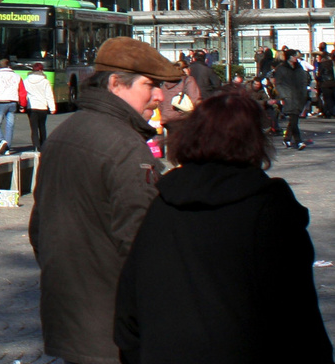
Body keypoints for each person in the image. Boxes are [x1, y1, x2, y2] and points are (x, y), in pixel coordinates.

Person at [114, 87, 333, 363]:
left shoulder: (164, 205)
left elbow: (128, 307)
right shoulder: (268, 209)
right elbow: (295, 311)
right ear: (254, 141)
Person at [29, 36, 183, 364]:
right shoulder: (125, 147)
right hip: (113, 326)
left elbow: (39, 230)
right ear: (115, 84)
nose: (158, 96)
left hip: (73, 316)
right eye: (149, 85)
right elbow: (142, 245)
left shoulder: (64, 133)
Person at [272, 49, 311, 150]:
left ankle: (287, 139)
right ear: (289, 57)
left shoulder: (299, 68)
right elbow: (278, 84)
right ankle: (299, 141)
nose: (296, 58)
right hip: (288, 96)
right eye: (294, 56)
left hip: (299, 96)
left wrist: (304, 93)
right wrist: (284, 95)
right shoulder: (281, 69)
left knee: (294, 119)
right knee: (294, 118)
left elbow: (303, 81)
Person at [0, 58, 22, 155]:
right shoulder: (17, 76)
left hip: (1, 102)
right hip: (13, 102)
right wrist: (22, 105)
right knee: (10, 125)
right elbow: (22, 91)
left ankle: (2, 141)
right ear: (9, 65)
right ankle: (7, 148)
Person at [21, 61, 57, 151]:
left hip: (31, 107)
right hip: (42, 107)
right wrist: (52, 108)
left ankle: (36, 146)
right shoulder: (45, 82)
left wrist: (22, 106)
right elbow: (49, 95)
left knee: (34, 128)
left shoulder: (26, 81)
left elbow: (23, 94)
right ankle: (43, 144)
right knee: (42, 126)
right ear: (41, 70)